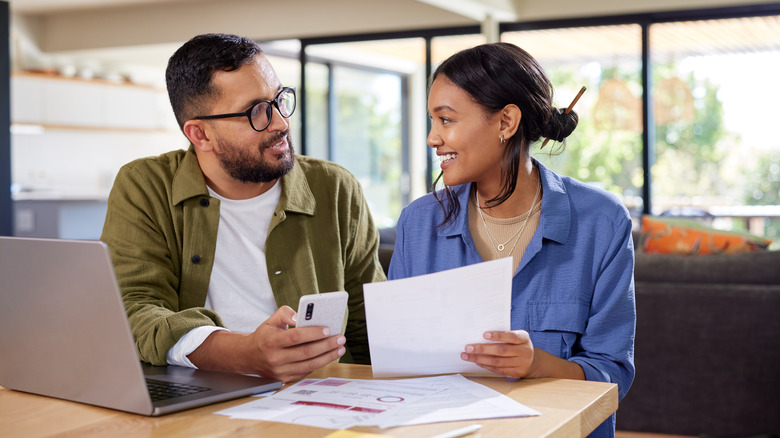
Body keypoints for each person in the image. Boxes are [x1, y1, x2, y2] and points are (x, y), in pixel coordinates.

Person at [101, 33, 385, 383]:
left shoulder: (335, 188)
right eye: (257, 112)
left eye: (280, 100)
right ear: (200, 134)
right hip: (198, 396)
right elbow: (134, 309)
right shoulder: (145, 185)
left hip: (322, 392)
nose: (281, 122)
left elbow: (370, 320)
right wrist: (244, 354)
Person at [388, 42, 635, 438]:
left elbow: (613, 374)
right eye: (432, 121)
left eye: (446, 120)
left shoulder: (601, 222)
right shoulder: (418, 224)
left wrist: (538, 364)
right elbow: (398, 364)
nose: (433, 138)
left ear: (506, 122)